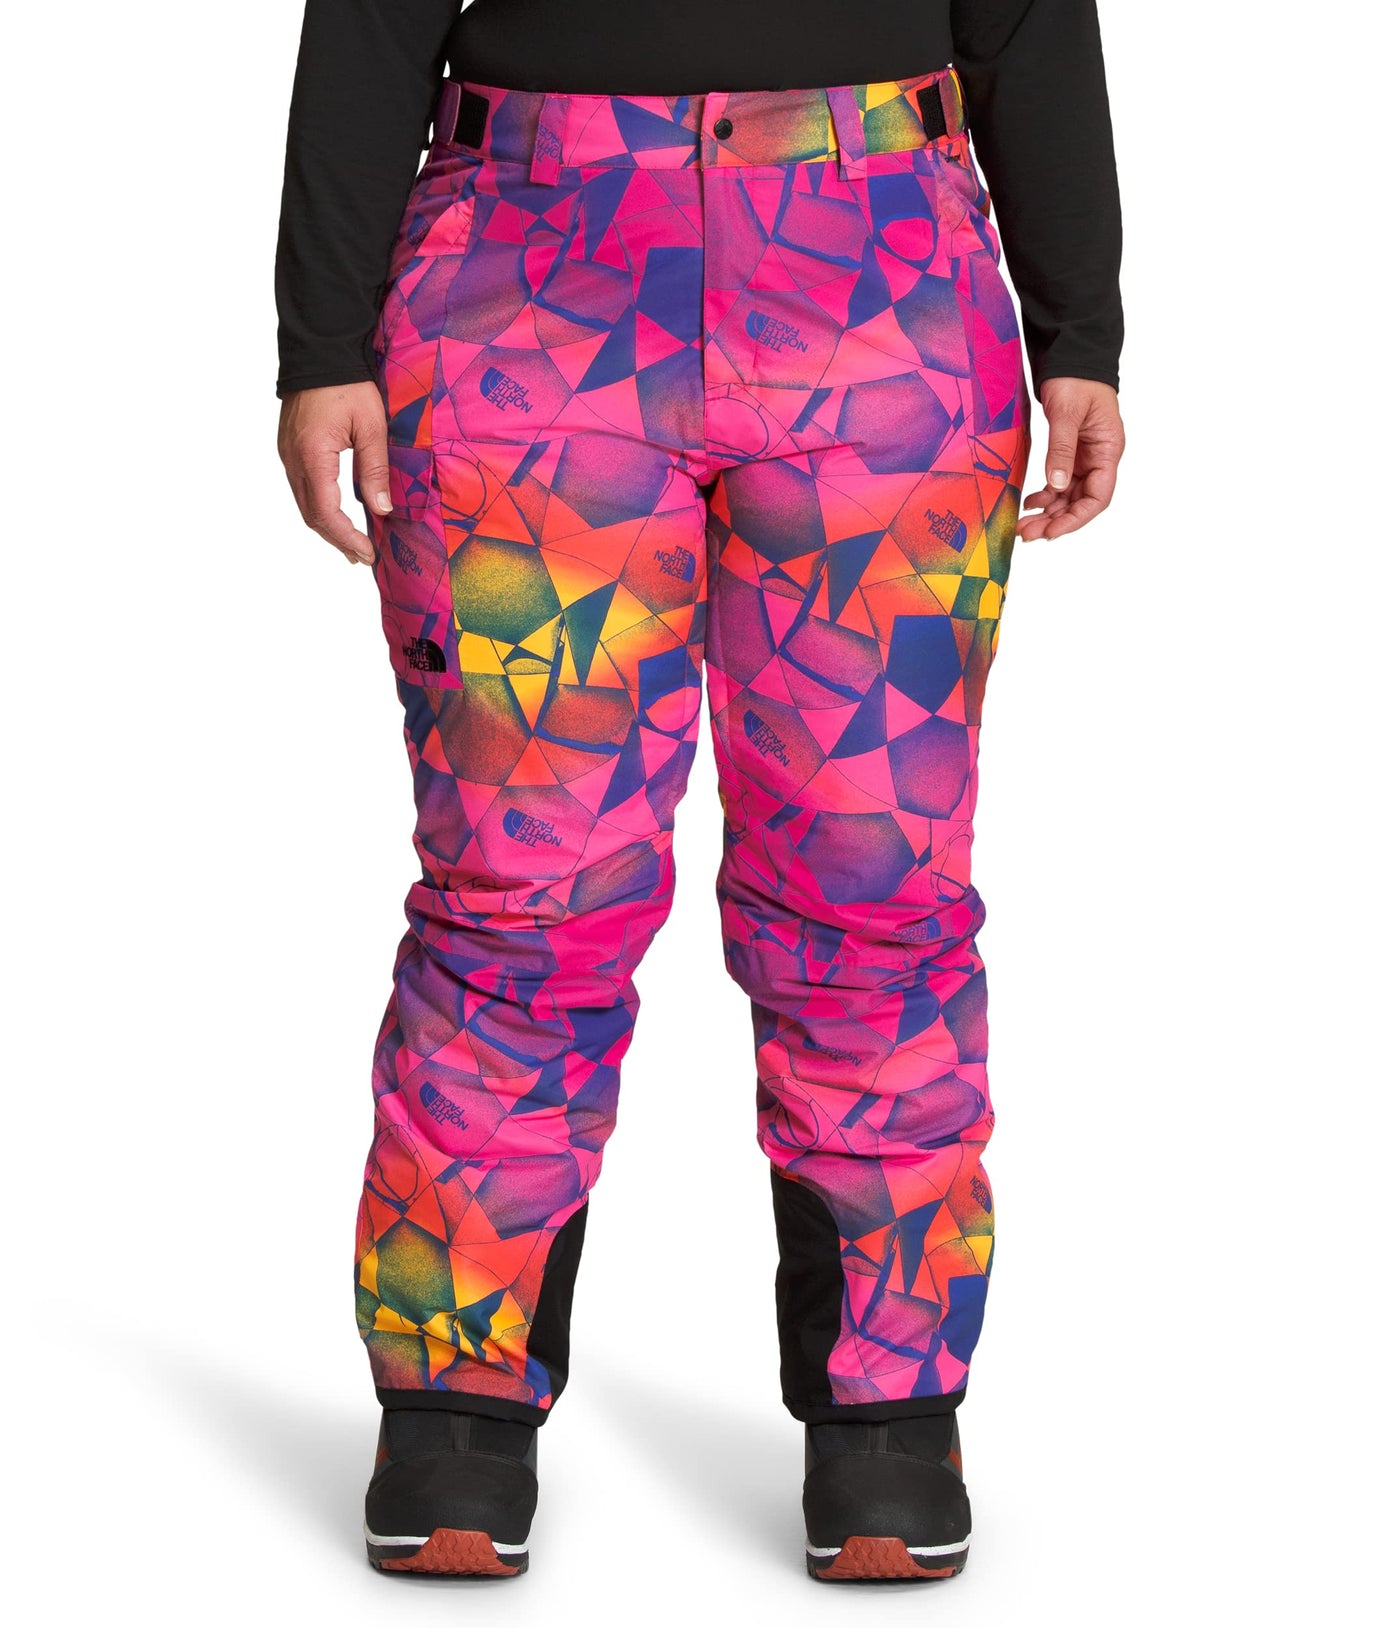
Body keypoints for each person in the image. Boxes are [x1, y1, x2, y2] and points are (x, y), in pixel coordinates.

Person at [275, 0, 1124, 1582]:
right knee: (520, 887)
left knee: (875, 881)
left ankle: (889, 1417)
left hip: (880, 280)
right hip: (529, 283)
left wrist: (1086, 329)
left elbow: (1022, 10)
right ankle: (453, 1401)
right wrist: (318, 342)